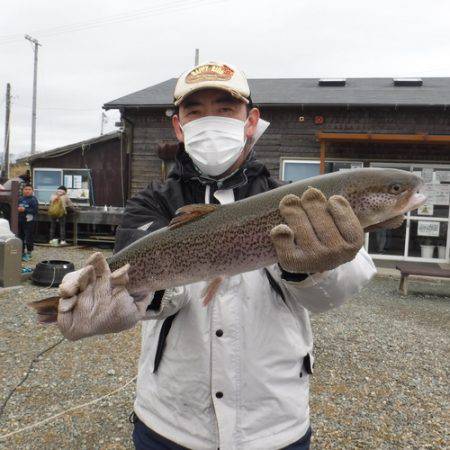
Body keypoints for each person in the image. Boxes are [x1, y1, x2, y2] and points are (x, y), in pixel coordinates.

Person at [54, 62, 377, 449]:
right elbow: (147, 287)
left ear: (250, 120)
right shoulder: (151, 203)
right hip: (170, 421)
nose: (211, 121)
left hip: (275, 423)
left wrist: (318, 266)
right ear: (179, 125)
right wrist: (121, 300)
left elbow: (339, 292)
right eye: (195, 111)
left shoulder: (296, 201)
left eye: (226, 109)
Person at [18, 183, 38, 261]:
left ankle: (29, 252)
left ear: (32, 191)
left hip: (30, 221)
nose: (27, 191)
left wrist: (24, 210)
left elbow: (35, 210)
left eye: (29, 189)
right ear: (23, 190)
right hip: (20, 221)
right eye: (26, 189)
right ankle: (22, 252)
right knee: (20, 237)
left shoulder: (33, 200)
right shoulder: (20, 199)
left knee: (29, 237)